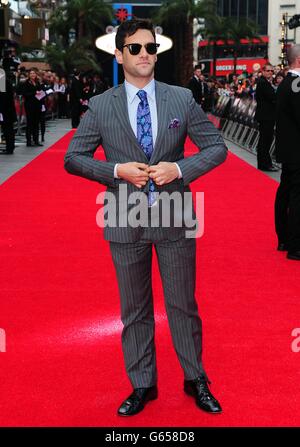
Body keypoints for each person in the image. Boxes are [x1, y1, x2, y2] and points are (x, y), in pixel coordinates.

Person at [64, 19, 227, 416]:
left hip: (174, 214)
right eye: (134, 49)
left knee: (182, 304)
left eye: (150, 48)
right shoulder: (101, 105)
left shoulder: (180, 98)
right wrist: (117, 170)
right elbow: (73, 157)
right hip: (123, 215)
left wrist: (180, 169)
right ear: (119, 55)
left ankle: (195, 378)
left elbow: (217, 147)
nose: (143, 55)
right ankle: (142, 384)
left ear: (157, 52)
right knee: (134, 308)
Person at [275, 44, 300, 261]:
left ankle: (283, 238)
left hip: (287, 148)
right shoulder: (296, 85)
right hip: (296, 150)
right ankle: (295, 245)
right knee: (296, 197)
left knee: (285, 193)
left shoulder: (286, 83)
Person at [254, 64, 278, 171]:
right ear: (263, 71)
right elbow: (272, 97)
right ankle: (265, 164)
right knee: (265, 140)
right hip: (266, 116)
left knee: (265, 140)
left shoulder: (264, 82)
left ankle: (264, 163)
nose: (270, 73)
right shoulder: (263, 83)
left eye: (272, 71)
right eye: (268, 71)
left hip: (266, 115)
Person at [0, 75, 17, 154]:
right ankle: (10, 147)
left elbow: (3, 97)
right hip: (7, 110)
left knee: (7, 130)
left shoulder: (3, 82)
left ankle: (9, 148)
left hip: (5, 111)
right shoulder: (5, 81)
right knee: (8, 129)